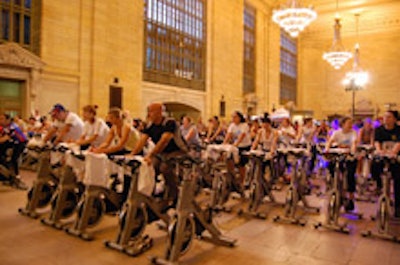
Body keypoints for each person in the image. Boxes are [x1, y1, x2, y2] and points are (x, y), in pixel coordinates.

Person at [131, 103, 188, 203]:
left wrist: (150, 155)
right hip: (162, 153)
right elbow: (142, 141)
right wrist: (132, 154)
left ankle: (174, 195)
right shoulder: (150, 125)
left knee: (165, 168)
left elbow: (164, 141)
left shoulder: (170, 122)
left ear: (159, 112)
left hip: (177, 151)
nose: (149, 114)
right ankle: (149, 194)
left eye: (151, 112)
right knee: (150, 167)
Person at [371, 110, 400, 217]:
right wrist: (379, 151)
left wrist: (393, 153)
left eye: (389, 117)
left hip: (395, 156)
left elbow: (398, 143)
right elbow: (377, 142)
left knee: (398, 179)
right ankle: (378, 184)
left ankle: (398, 206)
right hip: (382, 154)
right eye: (385, 116)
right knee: (374, 164)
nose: (386, 119)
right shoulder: (379, 130)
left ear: (395, 119)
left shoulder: (398, 130)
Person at [325, 116, 357, 211]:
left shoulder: (353, 133)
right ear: (343, 124)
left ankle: (351, 197)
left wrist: (352, 152)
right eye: (349, 123)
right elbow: (329, 142)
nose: (351, 125)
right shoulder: (337, 133)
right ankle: (334, 185)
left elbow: (354, 143)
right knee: (331, 166)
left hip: (348, 156)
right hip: (338, 155)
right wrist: (327, 149)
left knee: (350, 175)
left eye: (351, 123)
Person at [223, 111, 252, 186]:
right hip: (235, 147)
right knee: (229, 160)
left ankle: (242, 181)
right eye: (232, 117)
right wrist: (223, 145)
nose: (233, 119)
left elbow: (241, 136)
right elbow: (228, 135)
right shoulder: (232, 125)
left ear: (239, 118)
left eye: (235, 117)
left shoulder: (244, 125)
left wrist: (235, 145)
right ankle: (232, 178)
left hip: (244, 146)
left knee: (241, 165)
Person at [0, 113, 28, 182]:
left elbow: (4, 138)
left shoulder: (12, 127)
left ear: (8, 120)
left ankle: (16, 175)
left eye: (2, 119)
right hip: (13, 142)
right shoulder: (5, 127)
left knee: (14, 158)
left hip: (20, 143)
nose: (0, 120)